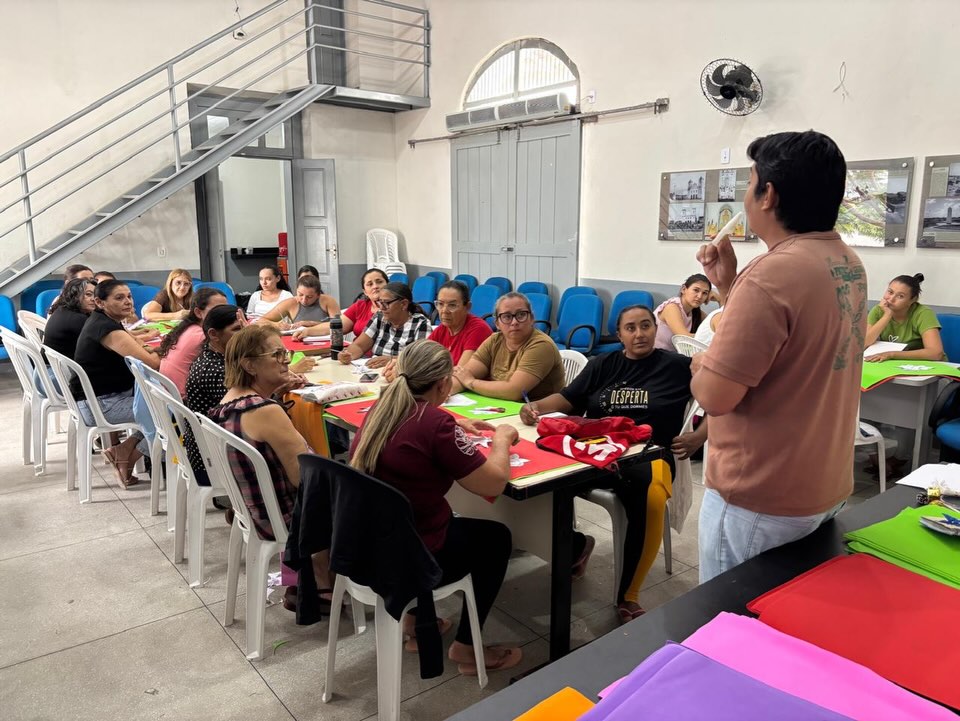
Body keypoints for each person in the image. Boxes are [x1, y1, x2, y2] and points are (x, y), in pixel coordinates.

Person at [691, 130, 867, 583]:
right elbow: (788, 353)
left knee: (732, 630)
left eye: (750, 182)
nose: (747, 195)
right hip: (821, 483)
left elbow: (715, 396)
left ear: (768, 194)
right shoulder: (846, 261)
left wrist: (698, 363)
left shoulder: (771, 274)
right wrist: (729, 286)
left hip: (760, 497)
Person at [519, 305, 705, 622]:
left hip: (648, 457)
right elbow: (566, 399)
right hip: (597, 455)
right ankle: (575, 546)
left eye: (646, 326)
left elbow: (725, 400)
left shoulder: (678, 366)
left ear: (655, 329)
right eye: (630, 328)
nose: (639, 333)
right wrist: (535, 407)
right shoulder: (602, 365)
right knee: (541, 478)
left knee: (652, 494)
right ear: (619, 335)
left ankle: (628, 595)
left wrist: (699, 436)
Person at [350, 339, 523, 675]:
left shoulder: (382, 408)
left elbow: (416, 431)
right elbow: (493, 483)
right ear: (444, 384)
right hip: (413, 556)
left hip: (371, 547)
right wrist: (501, 439)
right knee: (496, 538)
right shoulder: (434, 425)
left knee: (452, 521)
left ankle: (415, 625)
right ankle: (467, 648)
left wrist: (451, 424)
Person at [207, 325, 309, 540]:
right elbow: (304, 478)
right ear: (249, 365)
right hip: (288, 519)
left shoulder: (228, 404)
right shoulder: (265, 412)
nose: (286, 361)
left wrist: (274, 394)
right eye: (277, 355)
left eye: (285, 353)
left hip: (254, 513)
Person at [72, 279, 162, 486]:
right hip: (101, 406)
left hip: (105, 397)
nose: (128, 302)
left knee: (164, 404)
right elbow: (153, 363)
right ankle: (130, 458)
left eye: (129, 296)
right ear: (100, 302)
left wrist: (145, 347)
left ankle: (123, 450)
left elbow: (137, 343)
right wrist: (153, 351)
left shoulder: (105, 320)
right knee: (172, 411)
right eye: (119, 298)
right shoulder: (107, 329)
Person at [450, 291, 564, 401]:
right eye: (507, 316)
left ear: (532, 318)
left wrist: (471, 382)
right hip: (503, 409)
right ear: (497, 323)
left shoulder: (541, 345)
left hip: (540, 414)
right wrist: (445, 392)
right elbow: (465, 374)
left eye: (521, 315)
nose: (514, 322)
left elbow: (514, 391)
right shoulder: (494, 340)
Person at [184, 304, 244, 486]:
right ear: (213, 334)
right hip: (211, 462)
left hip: (209, 450)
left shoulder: (216, 358)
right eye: (237, 330)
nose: (243, 335)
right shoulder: (214, 369)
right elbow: (245, 408)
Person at [383, 279, 491, 381]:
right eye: (440, 304)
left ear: (467, 307)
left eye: (452, 305)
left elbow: (461, 374)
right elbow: (419, 354)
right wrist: (400, 363)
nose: (444, 311)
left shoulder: (478, 329)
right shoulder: (443, 329)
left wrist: (408, 375)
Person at [337, 282, 431, 368]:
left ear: (404, 304)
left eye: (386, 303)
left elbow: (420, 359)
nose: (381, 308)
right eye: (380, 302)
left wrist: (393, 360)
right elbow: (359, 346)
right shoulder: (379, 317)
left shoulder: (421, 324)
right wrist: (348, 355)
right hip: (375, 372)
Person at [157, 287, 229, 396]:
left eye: (225, 309)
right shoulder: (202, 335)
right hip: (185, 400)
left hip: (171, 395)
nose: (224, 314)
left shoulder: (188, 327)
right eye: (217, 310)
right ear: (198, 313)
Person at [864, 273, 945, 362]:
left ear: (912, 300)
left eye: (900, 296)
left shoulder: (923, 313)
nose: (891, 299)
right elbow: (865, 343)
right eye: (890, 292)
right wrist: (887, 316)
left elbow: (936, 353)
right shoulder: (878, 310)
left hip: (926, 366)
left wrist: (891, 354)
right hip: (893, 364)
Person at [256, 275, 340, 330]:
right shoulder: (290, 303)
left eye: (309, 297)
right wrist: (276, 325)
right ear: (296, 291)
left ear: (318, 295)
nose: (304, 300)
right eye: (300, 295)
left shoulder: (328, 301)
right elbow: (261, 320)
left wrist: (310, 324)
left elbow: (339, 326)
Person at [653, 274, 712, 350]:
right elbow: (684, 337)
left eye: (705, 293)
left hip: (672, 356)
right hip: (656, 356)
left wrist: (720, 300)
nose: (700, 296)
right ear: (683, 289)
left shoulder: (695, 311)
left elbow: (718, 325)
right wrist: (712, 338)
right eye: (696, 290)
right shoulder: (672, 307)